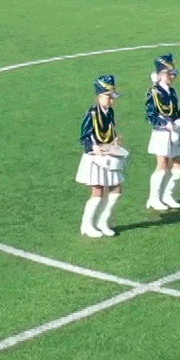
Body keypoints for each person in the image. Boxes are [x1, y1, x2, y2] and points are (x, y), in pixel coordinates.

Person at [74, 75, 125, 238]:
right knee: (97, 192)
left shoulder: (109, 112)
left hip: (108, 155)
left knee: (116, 189)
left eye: (112, 98)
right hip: (94, 158)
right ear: (100, 96)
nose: (111, 101)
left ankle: (103, 221)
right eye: (108, 97)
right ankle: (87, 225)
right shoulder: (92, 113)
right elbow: (85, 136)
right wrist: (96, 148)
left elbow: (109, 132)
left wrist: (114, 142)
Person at [145, 55, 180, 210]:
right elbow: (150, 116)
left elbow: (173, 112)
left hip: (175, 132)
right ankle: (154, 198)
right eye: (168, 73)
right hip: (162, 133)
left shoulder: (172, 91)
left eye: (173, 73)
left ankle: (168, 195)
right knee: (163, 166)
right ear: (159, 75)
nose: (172, 76)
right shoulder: (153, 92)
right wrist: (165, 123)